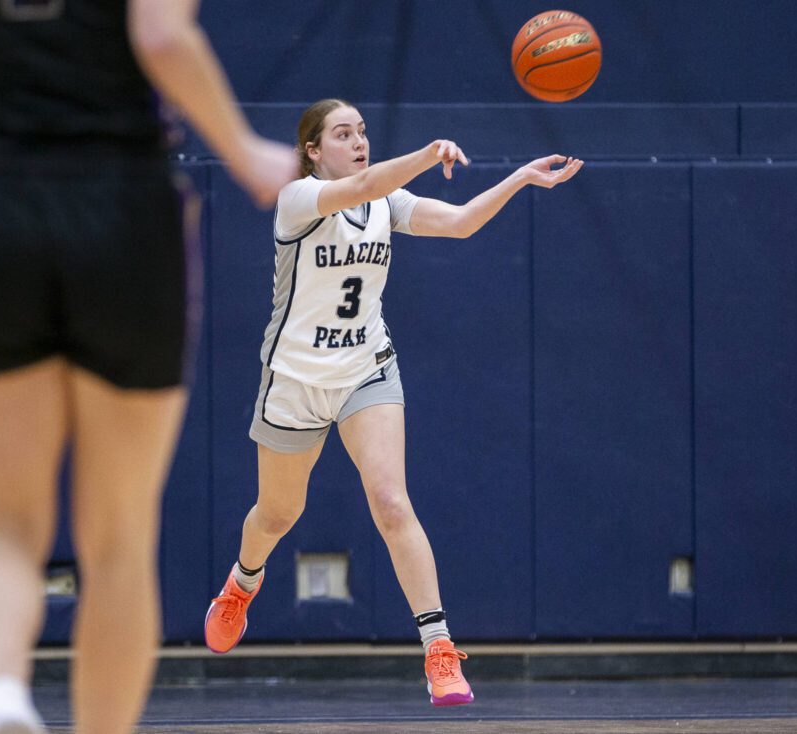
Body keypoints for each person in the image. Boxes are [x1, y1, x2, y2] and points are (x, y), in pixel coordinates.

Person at [0, 1, 297, 733]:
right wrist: (246, 151)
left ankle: (2, 698)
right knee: (119, 540)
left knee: (2, 527)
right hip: (123, 214)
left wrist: (1, 80)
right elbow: (159, 35)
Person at [203, 98, 583, 706]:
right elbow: (368, 181)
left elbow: (458, 222)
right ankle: (241, 584)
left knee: (390, 501)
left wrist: (519, 178)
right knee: (277, 514)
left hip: (365, 369)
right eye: (343, 133)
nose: (358, 141)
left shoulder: (385, 203)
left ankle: (438, 647)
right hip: (295, 380)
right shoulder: (298, 200)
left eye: (362, 131)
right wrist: (429, 153)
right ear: (312, 150)